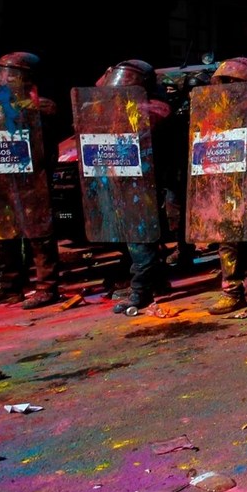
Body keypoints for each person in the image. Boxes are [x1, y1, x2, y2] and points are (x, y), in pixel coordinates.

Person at [0, 52, 66, 310]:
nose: (1, 79)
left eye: (7, 74)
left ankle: (47, 287)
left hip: (30, 176)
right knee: (3, 230)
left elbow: (46, 108)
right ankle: (9, 286)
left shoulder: (38, 103)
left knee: (38, 232)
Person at [92, 59, 175, 316]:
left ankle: (140, 291)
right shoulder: (118, 104)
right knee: (135, 238)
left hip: (142, 184)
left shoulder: (154, 109)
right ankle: (157, 282)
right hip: (121, 180)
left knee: (140, 240)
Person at [207, 57, 247, 314]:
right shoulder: (213, 108)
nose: (225, 86)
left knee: (233, 237)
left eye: (230, 81)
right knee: (243, 236)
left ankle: (233, 291)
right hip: (224, 178)